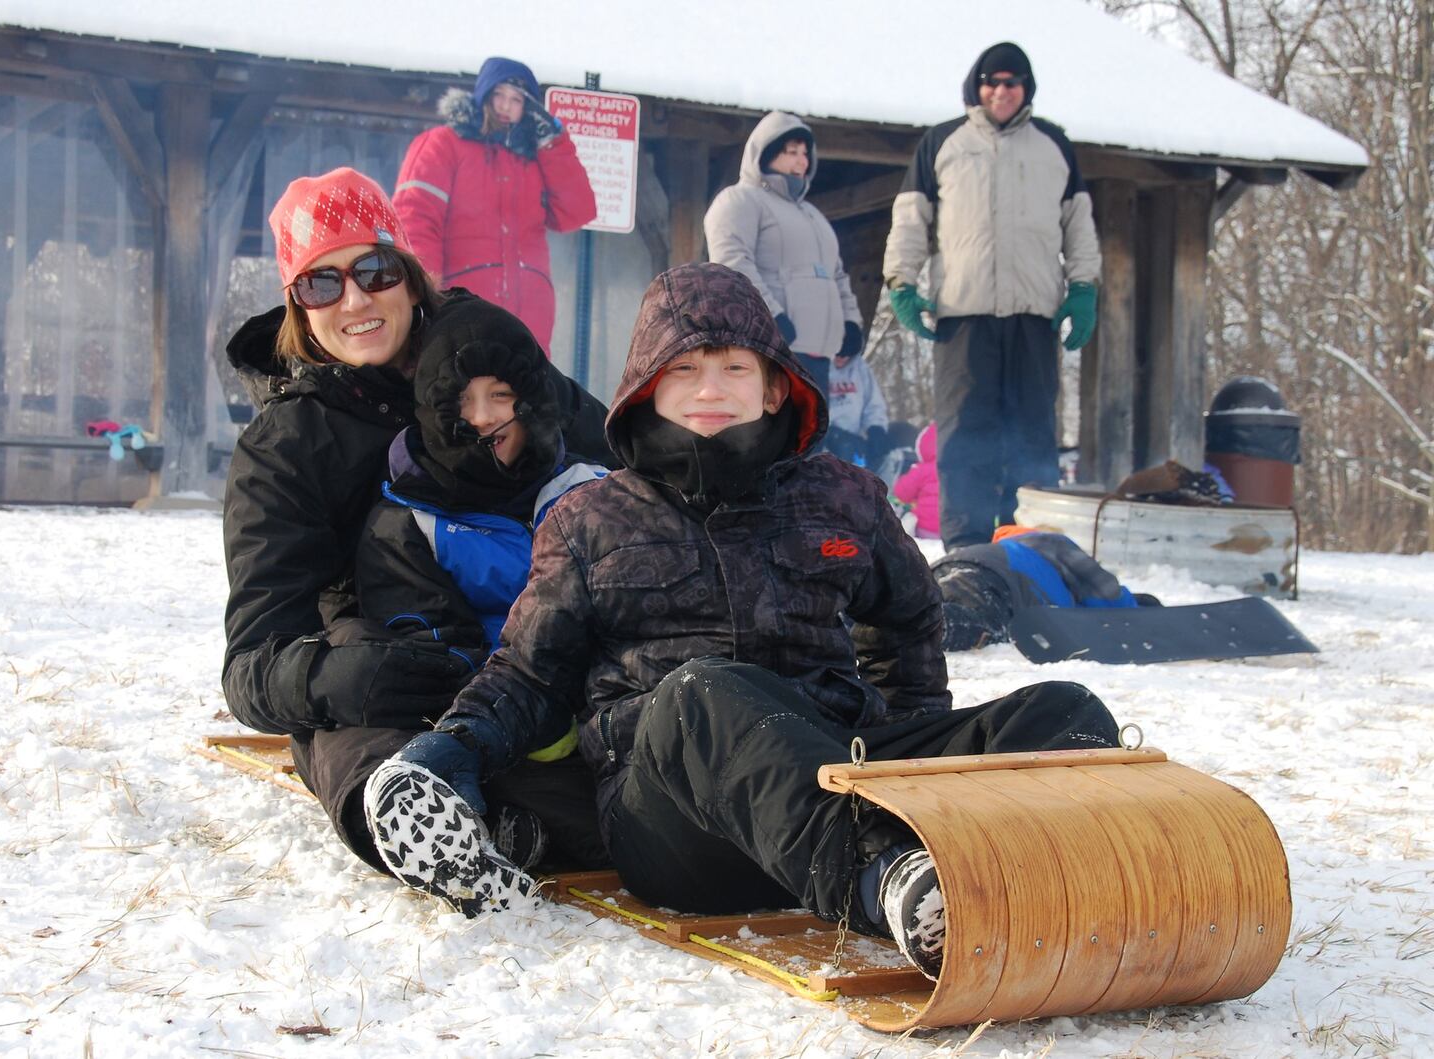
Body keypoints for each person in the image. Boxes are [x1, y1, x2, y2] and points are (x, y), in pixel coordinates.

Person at [365, 262, 1120, 981]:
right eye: (685, 371)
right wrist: (454, 745)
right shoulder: (589, 519)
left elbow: (909, 617)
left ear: (772, 388)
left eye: (734, 368)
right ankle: (888, 877)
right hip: (679, 819)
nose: (710, 390)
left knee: (1064, 711)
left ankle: (1061, 873)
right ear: (646, 391)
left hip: (834, 757)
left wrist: (920, 757)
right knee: (704, 693)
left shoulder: (842, 496)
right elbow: (529, 670)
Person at [220, 167, 612, 874]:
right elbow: (252, 665)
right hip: (396, 647)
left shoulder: (483, 356)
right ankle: (429, 825)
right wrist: (340, 675)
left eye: (373, 270)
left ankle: (563, 817)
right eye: (321, 282)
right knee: (346, 721)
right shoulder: (286, 447)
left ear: (408, 272)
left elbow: (622, 452)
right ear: (297, 304)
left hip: (537, 618)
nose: (354, 299)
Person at [345, 294, 611, 872]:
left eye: (500, 395)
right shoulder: (408, 521)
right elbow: (434, 644)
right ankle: (469, 833)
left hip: (598, 710)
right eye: (463, 400)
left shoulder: (590, 490)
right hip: (492, 712)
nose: (485, 416)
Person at [882, 42, 1101, 550]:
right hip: (964, 315)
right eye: (992, 82)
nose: (1001, 92)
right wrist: (902, 284)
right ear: (976, 87)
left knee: (1031, 433)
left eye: (1012, 82)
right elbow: (910, 220)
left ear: (1026, 89)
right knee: (965, 434)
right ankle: (967, 547)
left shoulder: (1053, 145)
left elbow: (1079, 226)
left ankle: (1024, 541)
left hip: (1034, 314)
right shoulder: (943, 143)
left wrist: (1084, 286)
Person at [393, 56, 597, 354]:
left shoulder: (534, 159)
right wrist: (425, 297)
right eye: (498, 95)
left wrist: (553, 145)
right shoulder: (442, 145)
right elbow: (416, 222)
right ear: (483, 96)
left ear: (528, 108)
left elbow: (577, 212)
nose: (505, 106)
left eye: (516, 100)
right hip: (460, 314)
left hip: (529, 321)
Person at [704, 111, 863, 397]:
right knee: (776, 436)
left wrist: (851, 323)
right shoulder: (740, 200)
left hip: (818, 353)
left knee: (809, 437)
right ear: (765, 154)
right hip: (772, 351)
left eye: (805, 153)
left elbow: (836, 274)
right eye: (792, 152)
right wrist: (769, 317)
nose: (802, 161)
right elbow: (732, 262)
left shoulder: (812, 215)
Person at [933, 525, 1152, 651]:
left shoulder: (996, 547)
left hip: (945, 568)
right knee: (979, 626)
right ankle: (912, 628)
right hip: (993, 580)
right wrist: (1131, 608)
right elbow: (1102, 587)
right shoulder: (1050, 541)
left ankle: (908, 622)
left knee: (924, 610)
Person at [823, 346, 894, 470]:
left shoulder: (860, 368)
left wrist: (876, 428)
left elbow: (873, 403)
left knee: (882, 462)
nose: (840, 359)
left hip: (854, 440)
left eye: (844, 356)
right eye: (837, 355)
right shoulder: (818, 364)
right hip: (823, 438)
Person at [892, 421, 940, 539]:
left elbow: (901, 493)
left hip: (926, 529)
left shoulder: (921, 470)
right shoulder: (962, 471)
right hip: (957, 527)